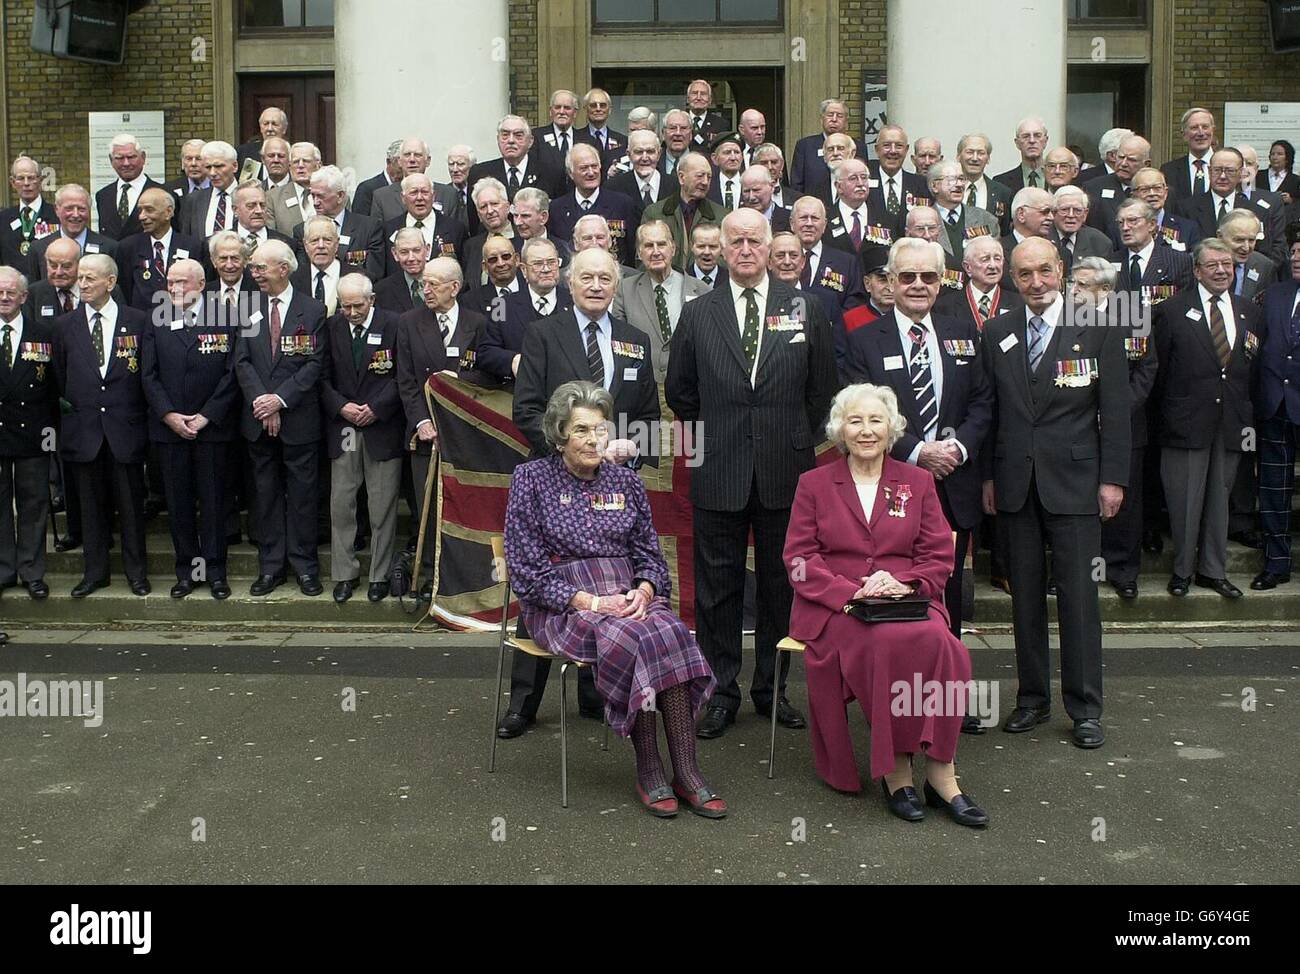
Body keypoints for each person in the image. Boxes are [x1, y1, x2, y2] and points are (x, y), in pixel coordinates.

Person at [505, 380, 724, 818]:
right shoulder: (530, 479)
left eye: (600, 430)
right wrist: (590, 601)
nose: (592, 440)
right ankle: (649, 767)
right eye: (581, 430)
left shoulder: (626, 482)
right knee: (638, 638)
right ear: (560, 434)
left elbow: (649, 555)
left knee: (671, 630)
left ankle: (685, 768)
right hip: (564, 604)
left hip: (628, 596)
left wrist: (644, 589)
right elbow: (526, 572)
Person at [665, 207, 837, 738]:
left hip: (786, 469)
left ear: (771, 247)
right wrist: (723, 433)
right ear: (719, 247)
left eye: (753, 241)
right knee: (716, 589)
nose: (744, 249)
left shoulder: (806, 308)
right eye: (734, 241)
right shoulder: (698, 313)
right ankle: (719, 690)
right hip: (718, 467)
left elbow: (821, 392)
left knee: (781, 587)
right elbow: (681, 393)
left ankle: (772, 689)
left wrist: (787, 437)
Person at [784, 383, 987, 826]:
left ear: (892, 429)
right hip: (838, 606)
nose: (866, 431)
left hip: (908, 599)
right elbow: (798, 559)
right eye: (855, 421)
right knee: (885, 646)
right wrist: (849, 591)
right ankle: (897, 772)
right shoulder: (813, 483)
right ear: (840, 429)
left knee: (946, 647)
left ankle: (941, 771)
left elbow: (938, 554)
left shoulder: (917, 482)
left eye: (876, 421)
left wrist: (903, 582)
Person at [502, 247, 660, 738]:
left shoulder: (635, 340)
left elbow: (650, 416)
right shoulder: (543, 334)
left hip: (612, 480)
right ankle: (524, 704)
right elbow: (525, 409)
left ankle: (599, 694)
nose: (595, 285)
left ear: (618, 285)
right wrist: (573, 450)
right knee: (552, 579)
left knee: (607, 573)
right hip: (553, 477)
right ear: (570, 284)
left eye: (605, 278)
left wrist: (625, 451)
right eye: (586, 277)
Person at [981, 237, 1129, 748]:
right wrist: (988, 478)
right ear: (1012, 279)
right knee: (1024, 598)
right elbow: (993, 412)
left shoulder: (1099, 326)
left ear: (1061, 270)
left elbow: (1116, 410)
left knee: (1079, 599)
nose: (1036, 282)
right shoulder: (997, 330)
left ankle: (1085, 708)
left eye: (1045, 271)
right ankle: (1032, 699)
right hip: (1016, 486)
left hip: (1076, 484)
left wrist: (1113, 480)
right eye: (1025, 275)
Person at [841, 238, 993, 735]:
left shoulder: (963, 333)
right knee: (895, 589)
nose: (918, 286)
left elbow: (983, 403)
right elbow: (863, 415)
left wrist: (956, 450)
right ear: (889, 281)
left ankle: (947, 696)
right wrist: (914, 453)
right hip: (893, 490)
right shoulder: (865, 339)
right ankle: (890, 695)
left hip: (955, 483)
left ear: (943, 280)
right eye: (907, 277)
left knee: (946, 592)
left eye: (929, 277)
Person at [1152, 239, 1260, 600]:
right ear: (1196, 270)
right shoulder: (1170, 310)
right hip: (1185, 419)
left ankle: (1213, 571)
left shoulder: (1248, 311)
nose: (1220, 271)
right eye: (1212, 265)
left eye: (1226, 264)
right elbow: (1160, 370)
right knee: (1184, 502)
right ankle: (1182, 570)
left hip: (1230, 420)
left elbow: (1250, 368)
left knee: (1219, 500)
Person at [52, 252, 151, 598]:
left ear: (110, 282)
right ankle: (95, 573)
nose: (82, 283)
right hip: (85, 430)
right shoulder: (64, 326)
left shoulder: (138, 321)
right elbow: (61, 378)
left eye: (90, 278)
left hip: (125, 428)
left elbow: (146, 377)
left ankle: (137, 573)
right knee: (91, 509)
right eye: (80, 277)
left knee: (130, 508)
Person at [140, 258, 240, 600]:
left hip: (210, 428)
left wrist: (206, 415)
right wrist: (169, 415)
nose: (174, 289)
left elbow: (232, 374)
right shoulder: (157, 318)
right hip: (169, 429)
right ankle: (187, 570)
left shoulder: (225, 317)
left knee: (213, 503)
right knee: (178, 504)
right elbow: (148, 375)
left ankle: (215, 572)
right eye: (170, 283)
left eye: (181, 282)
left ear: (200, 284)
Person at [234, 239, 327, 597]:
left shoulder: (313, 309)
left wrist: (279, 400)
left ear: (283, 269)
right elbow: (242, 361)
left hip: (298, 419)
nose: (254, 273)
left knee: (303, 496)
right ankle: (271, 567)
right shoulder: (247, 307)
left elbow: (314, 364)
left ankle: (304, 566)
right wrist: (262, 400)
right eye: (253, 267)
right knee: (265, 496)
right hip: (257, 419)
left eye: (260, 267)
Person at [1075, 257, 1156, 600]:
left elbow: (1146, 369)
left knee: (1124, 500)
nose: (1074, 292)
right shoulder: (1067, 317)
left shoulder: (1133, 315)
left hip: (1125, 425)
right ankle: (1080, 569)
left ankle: (1122, 570)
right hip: (1078, 423)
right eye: (1073, 284)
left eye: (1082, 285)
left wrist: (1117, 409)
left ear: (1106, 289)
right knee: (1079, 500)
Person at [321, 274, 403, 603]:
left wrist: (377, 408)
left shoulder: (395, 324)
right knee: (342, 504)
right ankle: (344, 573)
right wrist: (342, 407)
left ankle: (379, 575)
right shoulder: (332, 327)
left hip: (382, 427)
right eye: (346, 306)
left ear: (371, 300)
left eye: (358, 305)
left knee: (382, 506)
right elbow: (321, 375)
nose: (352, 312)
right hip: (344, 428)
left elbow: (404, 375)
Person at [0, 266, 54, 600]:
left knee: (34, 504)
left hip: (33, 432)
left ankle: (32, 571)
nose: (4, 298)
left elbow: (54, 387)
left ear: (24, 296)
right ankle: (4, 569)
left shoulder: (43, 333)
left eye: (10, 292)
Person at [1253, 233, 1300, 589]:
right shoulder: (1277, 293)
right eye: (1295, 251)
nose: (1297, 257)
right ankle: (1277, 562)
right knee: (1273, 489)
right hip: (1275, 405)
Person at [612, 219, 709, 382]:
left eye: (661, 244)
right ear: (639, 252)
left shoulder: (700, 290)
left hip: (689, 388)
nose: (655, 252)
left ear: (673, 248)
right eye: (649, 246)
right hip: (643, 386)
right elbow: (618, 341)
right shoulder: (624, 290)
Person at [639, 152, 723, 272]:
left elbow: (725, 259)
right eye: (700, 176)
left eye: (709, 177)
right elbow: (644, 256)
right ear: (681, 177)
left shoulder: (720, 216)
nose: (705, 182)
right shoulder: (655, 213)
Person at [30, 184, 117, 277]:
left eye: (81, 209)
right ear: (56, 210)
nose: (75, 214)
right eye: (69, 209)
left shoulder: (109, 248)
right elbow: (35, 288)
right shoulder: (39, 248)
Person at [94, 134, 165, 240]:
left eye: (131, 157)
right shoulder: (103, 195)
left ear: (143, 158)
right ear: (111, 160)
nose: (126, 163)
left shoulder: (163, 193)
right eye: (120, 158)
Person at [1, 156, 60, 278]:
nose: (26, 183)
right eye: (21, 178)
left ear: (40, 180)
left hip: (45, 287)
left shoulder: (56, 214)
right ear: (12, 182)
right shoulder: (3, 218)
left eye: (31, 178)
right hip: (12, 290)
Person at [957, 134, 1012, 235]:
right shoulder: (948, 189)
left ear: (988, 158)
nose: (975, 158)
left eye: (981, 153)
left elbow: (1004, 231)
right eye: (970, 152)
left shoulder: (1002, 192)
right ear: (958, 156)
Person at [993, 117, 1050, 191]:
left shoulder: (1057, 178)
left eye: (1037, 136)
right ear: (1017, 143)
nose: (1032, 140)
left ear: (1045, 141)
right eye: (1026, 136)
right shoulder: (1001, 182)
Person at [1260, 139, 1299, 206]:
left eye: (1279, 154)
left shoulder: (1296, 180)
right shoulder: (1258, 175)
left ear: (1287, 158)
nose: (1275, 157)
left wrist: (1290, 200)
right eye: (1272, 154)